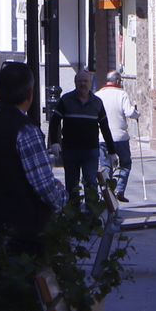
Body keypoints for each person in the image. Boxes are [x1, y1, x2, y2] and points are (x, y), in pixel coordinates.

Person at [0, 62, 68, 259]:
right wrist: (64, 198)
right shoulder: (26, 130)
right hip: (22, 228)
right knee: (24, 285)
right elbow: (44, 186)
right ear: (30, 94)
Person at [50, 69, 117, 207]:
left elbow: (105, 127)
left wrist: (112, 151)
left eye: (85, 81)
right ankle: (73, 217)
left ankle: (91, 216)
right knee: (71, 185)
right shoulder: (66, 100)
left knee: (90, 184)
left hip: (90, 151)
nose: (83, 84)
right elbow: (54, 121)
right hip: (70, 150)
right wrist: (55, 142)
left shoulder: (97, 103)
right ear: (75, 83)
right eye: (80, 81)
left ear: (91, 83)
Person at [94, 70, 139, 202]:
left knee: (105, 165)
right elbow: (129, 112)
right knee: (125, 164)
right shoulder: (122, 94)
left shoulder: (98, 95)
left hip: (102, 138)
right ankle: (120, 189)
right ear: (118, 81)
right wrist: (137, 113)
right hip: (120, 137)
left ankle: (108, 193)